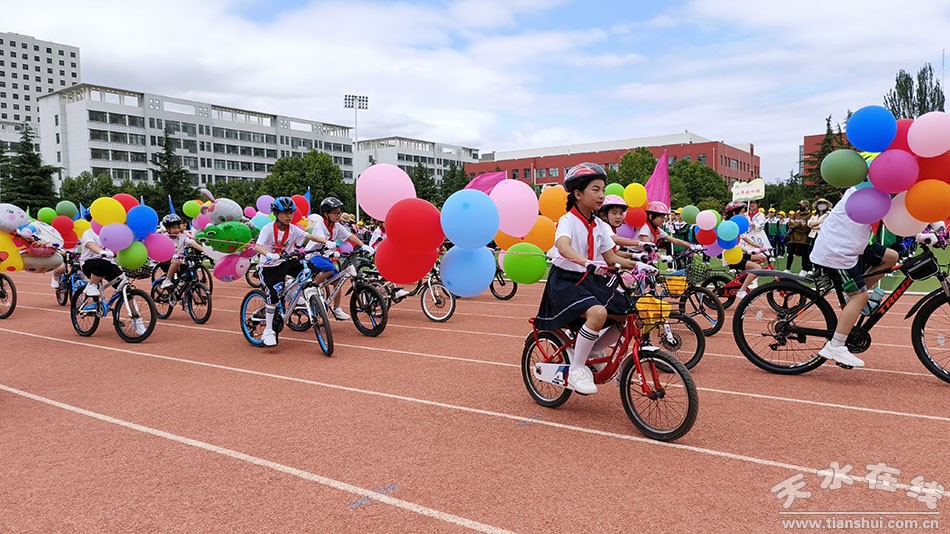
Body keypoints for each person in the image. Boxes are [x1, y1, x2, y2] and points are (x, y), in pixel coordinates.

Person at [535, 162, 649, 395]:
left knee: (628, 312)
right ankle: (577, 368)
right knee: (598, 313)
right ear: (578, 194)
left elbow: (611, 257)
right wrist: (584, 261)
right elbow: (563, 246)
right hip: (566, 281)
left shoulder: (598, 224)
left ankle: (592, 349)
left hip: (590, 280)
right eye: (595, 190)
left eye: (603, 190)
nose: (601, 195)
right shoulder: (568, 220)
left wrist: (639, 265)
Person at [810, 187, 899, 367]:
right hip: (838, 251)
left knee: (892, 257)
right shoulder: (863, 193)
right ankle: (835, 346)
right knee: (860, 296)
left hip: (854, 246)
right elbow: (895, 218)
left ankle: (851, 296)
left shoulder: (870, 190)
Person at [254, 196, 338, 347]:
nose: (289, 216)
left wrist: (326, 242)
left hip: (286, 262)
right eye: (285, 213)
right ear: (276, 214)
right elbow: (257, 246)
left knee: (309, 269)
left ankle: (295, 293)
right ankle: (268, 330)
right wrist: (268, 254)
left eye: (291, 213)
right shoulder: (268, 229)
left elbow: (309, 236)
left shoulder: (293, 229)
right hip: (269, 266)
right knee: (273, 295)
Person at [305, 197, 379, 320]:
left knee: (337, 281)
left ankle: (337, 308)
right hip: (313, 255)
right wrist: (327, 244)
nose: (338, 215)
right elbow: (321, 239)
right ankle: (312, 287)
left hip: (325, 256)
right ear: (326, 214)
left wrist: (364, 246)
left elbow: (350, 236)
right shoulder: (320, 225)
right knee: (329, 268)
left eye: (339, 212)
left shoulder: (337, 226)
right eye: (335, 213)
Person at [77, 213, 147, 335]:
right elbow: (90, 244)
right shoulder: (89, 232)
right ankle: (91, 286)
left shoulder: (114, 232)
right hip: (89, 263)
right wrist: (101, 251)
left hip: (109, 264)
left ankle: (137, 320)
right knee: (102, 263)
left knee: (127, 289)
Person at [722, 201, 768, 299]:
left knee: (762, 257)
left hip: (739, 254)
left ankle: (745, 275)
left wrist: (761, 247)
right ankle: (741, 290)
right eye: (742, 212)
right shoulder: (727, 226)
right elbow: (732, 245)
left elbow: (747, 239)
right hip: (732, 256)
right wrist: (748, 250)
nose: (744, 214)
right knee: (757, 268)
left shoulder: (738, 225)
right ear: (734, 213)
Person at [637, 201, 702, 257]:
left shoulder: (657, 229)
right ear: (651, 216)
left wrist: (692, 246)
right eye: (661, 217)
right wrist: (662, 256)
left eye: (664, 217)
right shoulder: (645, 228)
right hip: (635, 256)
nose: (663, 220)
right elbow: (648, 247)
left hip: (642, 256)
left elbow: (674, 240)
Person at [159, 214, 204, 289]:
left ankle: (186, 292)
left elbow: (192, 243)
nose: (176, 230)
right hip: (167, 262)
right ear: (167, 228)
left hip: (180, 261)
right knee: (177, 262)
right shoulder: (164, 237)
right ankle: (167, 280)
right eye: (173, 228)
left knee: (188, 275)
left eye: (178, 227)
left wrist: (204, 250)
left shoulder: (182, 237)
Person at [785, 204, 812, 275]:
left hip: (804, 238)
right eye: (799, 205)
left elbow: (806, 227)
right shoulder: (795, 214)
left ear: (806, 206)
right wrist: (799, 224)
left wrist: (795, 225)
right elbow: (790, 224)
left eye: (801, 205)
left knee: (804, 254)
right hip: (793, 237)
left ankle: (804, 269)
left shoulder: (809, 215)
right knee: (790, 253)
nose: (799, 207)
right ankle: (787, 269)